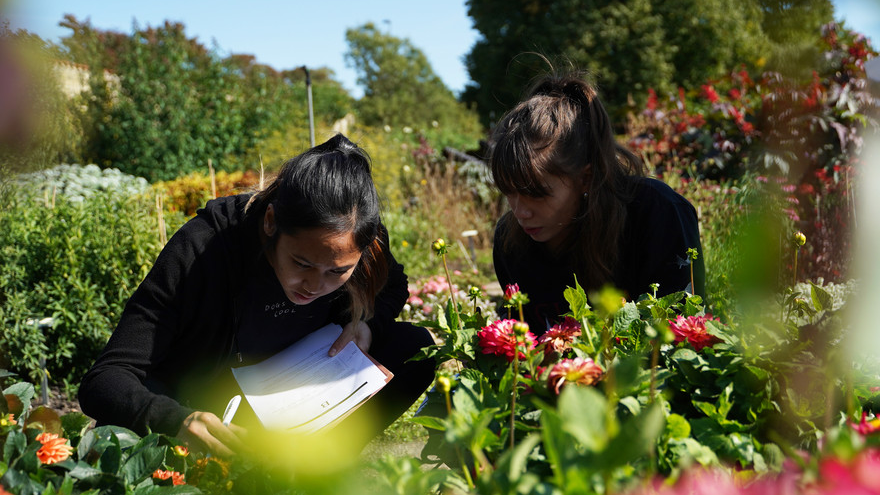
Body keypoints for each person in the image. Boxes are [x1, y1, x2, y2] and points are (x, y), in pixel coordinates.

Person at [79, 134, 436, 456]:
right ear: (270, 222)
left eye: (337, 272)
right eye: (301, 263)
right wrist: (176, 420)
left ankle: (321, 464)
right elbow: (107, 378)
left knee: (416, 346)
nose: (314, 285)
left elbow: (393, 285)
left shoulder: (359, 239)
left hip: (288, 393)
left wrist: (365, 324)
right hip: (205, 406)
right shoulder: (204, 247)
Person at [489, 71, 705, 333]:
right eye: (509, 192)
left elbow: (683, 335)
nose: (520, 212)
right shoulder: (510, 242)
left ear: (585, 178)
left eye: (537, 193)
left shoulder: (657, 214)